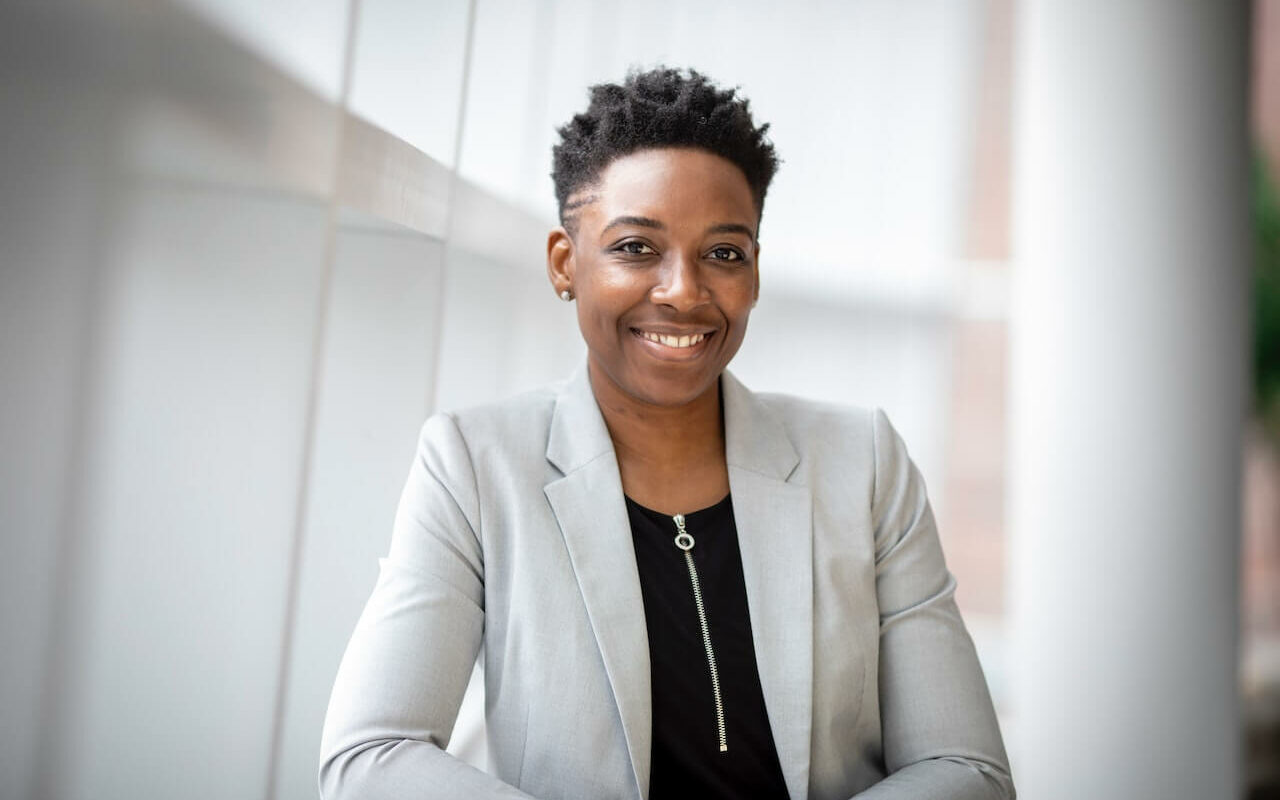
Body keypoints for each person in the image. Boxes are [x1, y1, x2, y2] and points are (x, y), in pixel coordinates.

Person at [319, 67, 1014, 800]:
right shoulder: (474, 464)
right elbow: (371, 756)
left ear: (753, 273)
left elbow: (966, 768)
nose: (683, 291)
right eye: (635, 248)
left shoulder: (863, 463)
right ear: (566, 263)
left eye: (723, 254)